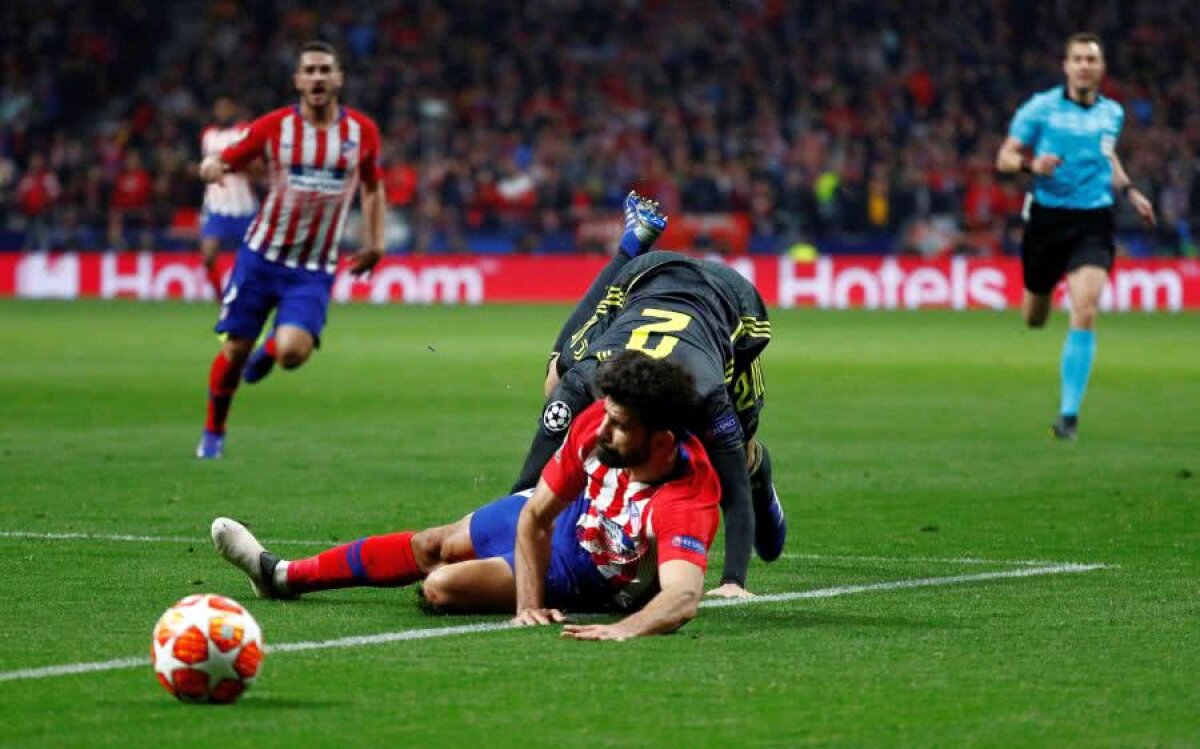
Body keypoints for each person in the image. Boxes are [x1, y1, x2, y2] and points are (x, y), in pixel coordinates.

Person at [212, 351, 720, 640]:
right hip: (569, 521)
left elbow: (682, 597)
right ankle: (280, 575)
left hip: (588, 574)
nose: (602, 429)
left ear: (661, 439)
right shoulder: (599, 426)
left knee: (441, 585)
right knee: (435, 543)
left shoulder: (685, 497)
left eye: (620, 424)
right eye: (606, 415)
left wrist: (625, 629)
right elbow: (537, 516)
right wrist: (528, 605)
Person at [511, 192, 786, 600]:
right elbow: (529, 481)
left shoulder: (707, 393)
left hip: (732, 305)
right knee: (555, 379)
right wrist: (516, 524)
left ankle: (758, 466)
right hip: (644, 277)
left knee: (732, 456)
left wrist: (733, 580)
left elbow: (732, 490)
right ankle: (630, 246)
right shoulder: (586, 379)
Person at [195, 41, 386, 459]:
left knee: (293, 353)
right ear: (298, 80)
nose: (317, 77)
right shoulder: (274, 127)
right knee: (234, 351)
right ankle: (213, 432)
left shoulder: (362, 133)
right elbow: (226, 159)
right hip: (261, 258)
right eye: (310, 71)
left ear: (338, 79)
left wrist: (376, 241)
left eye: (325, 70)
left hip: (312, 269)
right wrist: (211, 167)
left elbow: (373, 187)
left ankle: (271, 348)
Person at [995, 32, 1156, 440]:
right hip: (1047, 221)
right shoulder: (1040, 108)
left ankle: (1068, 416)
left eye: (1091, 59)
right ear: (1066, 66)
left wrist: (1129, 190)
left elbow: (1107, 156)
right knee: (1035, 317)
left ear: (1101, 68)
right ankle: (1040, 297)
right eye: (1078, 59)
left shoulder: (1112, 113)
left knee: (1085, 308)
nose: (1084, 65)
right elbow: (1005, 157)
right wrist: (1032, 166)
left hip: (1094, 220)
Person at [198, 94, 258, 300]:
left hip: (244, 206)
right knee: (208, 257)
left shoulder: (243, 131)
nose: (222, 112)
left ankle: (251, 297)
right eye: (219, 108)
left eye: (226, 108)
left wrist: (229, 166)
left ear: (233, 110)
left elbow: (255, 165)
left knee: (254, 260)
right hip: (216, 206)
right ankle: (221, 299)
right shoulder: (208, 135)